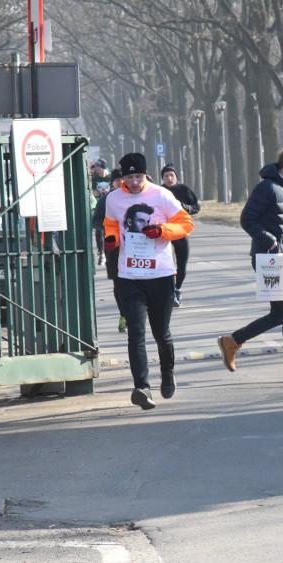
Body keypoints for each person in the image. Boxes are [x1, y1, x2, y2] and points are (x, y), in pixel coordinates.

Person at [217, 147, 283, 383]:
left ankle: (232, 341)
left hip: (281, 258)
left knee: (279, 313)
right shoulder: (266, 188)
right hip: (268, 259)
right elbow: (247, 219)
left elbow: (281, 224)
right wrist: (269, 239)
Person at [103, 153, 194, 410]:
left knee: (161, 333)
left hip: (161, 275)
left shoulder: (161, 195)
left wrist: (162, 231)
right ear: (123, 177)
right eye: (129, 176)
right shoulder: (114, 199)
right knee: (136, 332)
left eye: (138, 176)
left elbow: (186, 224)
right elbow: (111, 223)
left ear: (145, 175)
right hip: (130, 276)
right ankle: (142, 386)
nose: (133, 181)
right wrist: (112, 239)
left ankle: (167, 373)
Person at [160, 164, 201, 307]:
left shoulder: (184, 190)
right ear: (162, 178)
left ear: (176, 177)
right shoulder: (159, 192)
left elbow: (196, 207)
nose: (169, 178)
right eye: (166, 176)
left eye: (172, 175)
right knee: (167, 264)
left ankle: (177, 289)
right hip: (164, 232)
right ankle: (169, 291)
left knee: (181, 264)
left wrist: (184, 207)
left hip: (181, 231)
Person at [93, 168, 127, 332]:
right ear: (112, 182)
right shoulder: (106, 200)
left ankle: (135, 313)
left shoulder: (137, 198)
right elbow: (96, 222)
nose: (120, 182)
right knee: (118, 282)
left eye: (123, 179)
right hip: (112, 246)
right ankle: (124, 315)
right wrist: (111, 226)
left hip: (135, 248)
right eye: (117, 180)